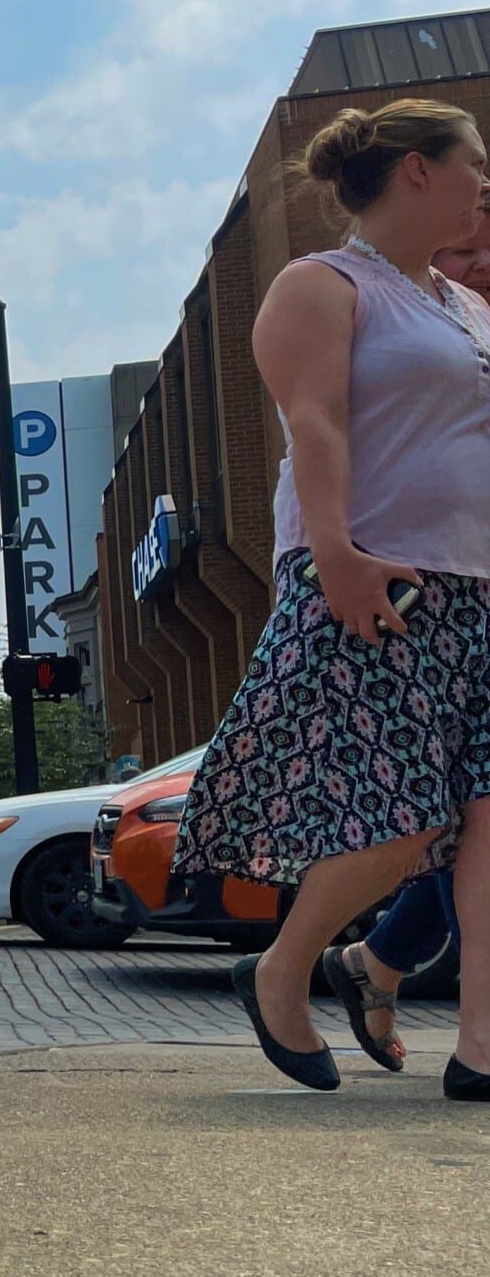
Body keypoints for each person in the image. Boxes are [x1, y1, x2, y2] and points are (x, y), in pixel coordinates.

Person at [172, 99, 490, 1099]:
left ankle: (482, 1044)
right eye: (473, 163)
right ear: (414, 170)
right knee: (407, 821)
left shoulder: (468, 306)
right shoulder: (320, 284)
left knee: (487, 820)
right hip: (379, 579)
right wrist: (339, 554)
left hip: (480, 584)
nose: (486, 183)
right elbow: (314, 426)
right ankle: (282, 964)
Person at [320, 199, 490, 1069]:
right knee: (454, 814)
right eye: (465, 254)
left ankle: (372, 963)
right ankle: (356, 966)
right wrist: (336, 554)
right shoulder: (375, 309)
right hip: (427, 583)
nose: (482, 264)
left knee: (475, 814)